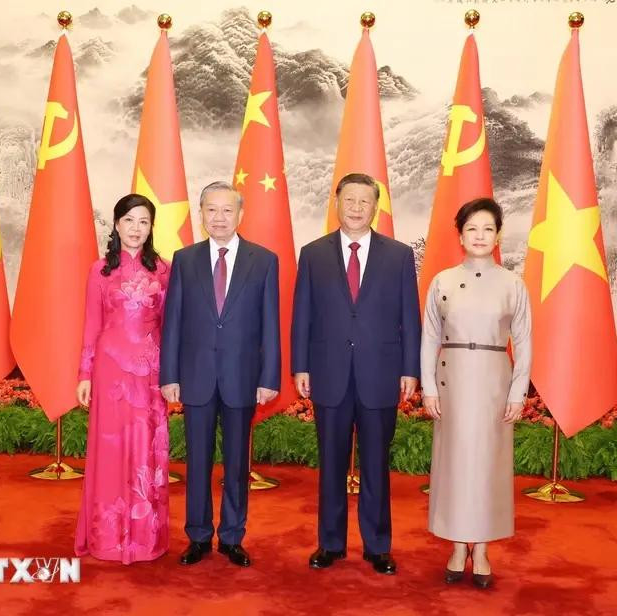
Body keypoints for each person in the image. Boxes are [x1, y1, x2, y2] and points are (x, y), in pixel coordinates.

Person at [291, 172, 421, 575]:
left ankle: (378, 546)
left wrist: (410, 369)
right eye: (350, 200)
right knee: (330, 463)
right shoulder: (312, 254)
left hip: (379, 374)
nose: (357, 208)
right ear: (337, 203)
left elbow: (409, 318)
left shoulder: (399, 256)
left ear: (376, 208)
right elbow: (302, 316)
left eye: (365, 201)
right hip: (328, 373)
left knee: (376, 465)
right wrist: (300, 365)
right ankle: (330, 543)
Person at [160, 181, 280, 568]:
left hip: (241, 377)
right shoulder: (185, 259)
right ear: (201, 214)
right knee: (197, 462)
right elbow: (173, 322)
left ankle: (232, 536)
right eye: (211, 210)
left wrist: (269, 377)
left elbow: (270, 325)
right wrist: (169, 374)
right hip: (196, 377)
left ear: (240, 214)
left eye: (227, 210)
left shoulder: (264, 260)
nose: (219, 218)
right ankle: (197, 535)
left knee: (236, 464)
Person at [420, 197, 532, 588]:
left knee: (488, 466)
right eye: (472, 229)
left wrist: (518, 392)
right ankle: (456, 545)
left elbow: (524, 341)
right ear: (460, 236)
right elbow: (429, 337)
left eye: (487, 229)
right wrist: (428, 387)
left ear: (498, 235)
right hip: (451, 382)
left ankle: (481, 549)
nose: (480, 236)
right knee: (453, 465)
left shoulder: (512, 283)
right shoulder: (443, 281)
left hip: (493, 383)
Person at [74, 193, 170, 564]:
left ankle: (145, 539)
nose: (136, 228)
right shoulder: (99, 271)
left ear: (151, 227)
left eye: (143, 221)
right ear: (116, 224)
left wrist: (171, 374)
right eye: (129, 220)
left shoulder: (163, 270)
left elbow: (169, 328)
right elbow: (91, 325)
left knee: (146, 449)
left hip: (150, 374)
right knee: (109, 451)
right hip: (109, 372)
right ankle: (108, 538)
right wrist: (84, 373)